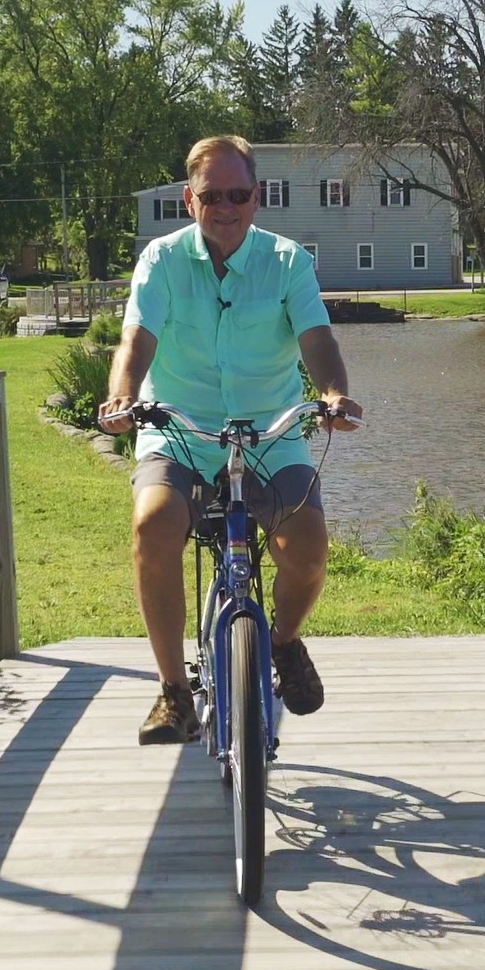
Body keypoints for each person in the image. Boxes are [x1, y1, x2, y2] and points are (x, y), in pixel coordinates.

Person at [98, 135, 363, 744]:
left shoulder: (288, 260)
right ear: (190, 200)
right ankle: (173, 693)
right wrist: (122, 396)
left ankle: (284, 642)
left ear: (257, 197)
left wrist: (331, 395)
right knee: (153, 526)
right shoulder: (161, 261)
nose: (226, 206)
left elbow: (318, 340)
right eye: (212, 195)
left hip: (270, 432)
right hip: (181, 431)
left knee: (310, 545)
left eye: (237, 194)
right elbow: (136, 339)